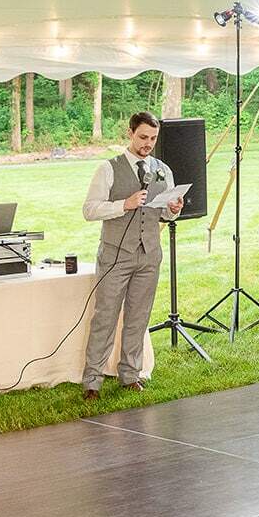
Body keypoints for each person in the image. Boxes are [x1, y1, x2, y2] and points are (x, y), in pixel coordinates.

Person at [80, 111, 185, 399]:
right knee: (105, 317)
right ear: (129, 133)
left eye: (153, 138)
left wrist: (173, 210)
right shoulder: (108, 169)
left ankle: (130, 374)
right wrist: (123, 204)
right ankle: (92, 380)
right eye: (142, 137)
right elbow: (89, 209)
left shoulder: (162, 169)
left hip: (149, 254)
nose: (148, 143)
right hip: (116, 256)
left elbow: (164, 213)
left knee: (138, 317)